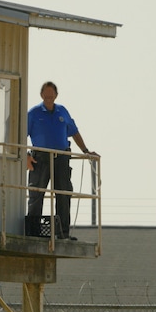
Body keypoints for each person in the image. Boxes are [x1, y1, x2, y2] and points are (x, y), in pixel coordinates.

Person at [26, 81, 98, 240]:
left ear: (56, 95)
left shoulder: (62, 111)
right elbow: (18, 134)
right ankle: (33, 233)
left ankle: (63, 233)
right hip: (41, 158)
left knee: (63, 194)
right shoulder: (33, 113)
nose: (49, 98)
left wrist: (85, 151)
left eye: (51, 96)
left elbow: (74, 131)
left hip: (62, 159)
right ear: (41, 95)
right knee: (36, 194)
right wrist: (26, 156)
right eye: (46, 96)